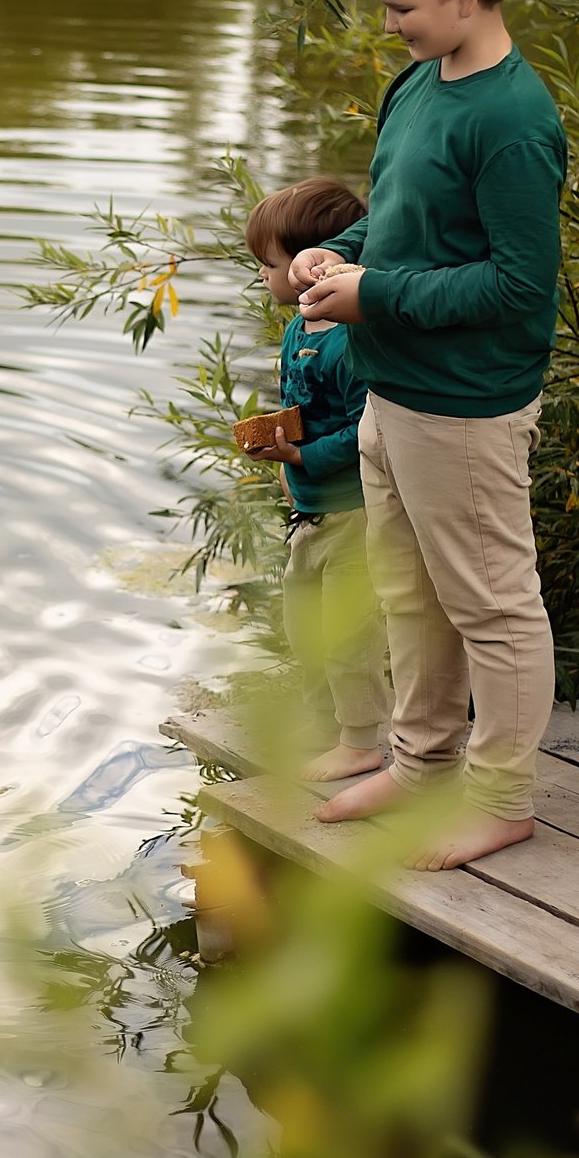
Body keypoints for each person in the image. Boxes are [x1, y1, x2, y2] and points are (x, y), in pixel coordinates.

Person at [286, 0, 567, 871]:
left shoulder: (513, 120)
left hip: (465, 407)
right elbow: (401, 221)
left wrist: (377, 295)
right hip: (391, 391)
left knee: (490, 602)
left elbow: (518, 286)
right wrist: (339, 255)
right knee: (406, 593)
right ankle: (420, 760)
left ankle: (502, 798)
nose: (392, 23)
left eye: (401, 6)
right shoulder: (417, 83)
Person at [240, 177, 387, 784]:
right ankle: (324, 721)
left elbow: (363, 429)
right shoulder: (300, 329)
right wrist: (281, 450)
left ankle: (361, 740)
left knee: (348, 632)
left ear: (311, 266)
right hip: (309, 508)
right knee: (303, 624)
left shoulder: (351, 338)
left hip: (351, 511)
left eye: (269, 264)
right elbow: (306, 406)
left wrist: (302, 459)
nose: (262, 276)